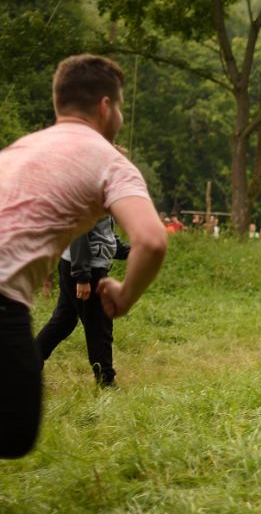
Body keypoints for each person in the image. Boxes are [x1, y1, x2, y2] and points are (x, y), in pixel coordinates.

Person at [0, 54, 167, 458]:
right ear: (106, 106)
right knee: (15, 431)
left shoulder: (21, 148)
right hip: (4, 300)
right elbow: (152, 240)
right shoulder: (110, 161)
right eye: (121, 106)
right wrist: (124, 296)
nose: (121, 115)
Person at [35, 216, 130, 387]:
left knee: (64, 321)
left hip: (76, 264)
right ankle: (106, 380)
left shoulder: (103, 196)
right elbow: (79, 231)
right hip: (86, 268)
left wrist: (130, 251)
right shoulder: (91, 194)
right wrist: (82, 277)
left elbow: (102, 236)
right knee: (99, 324)